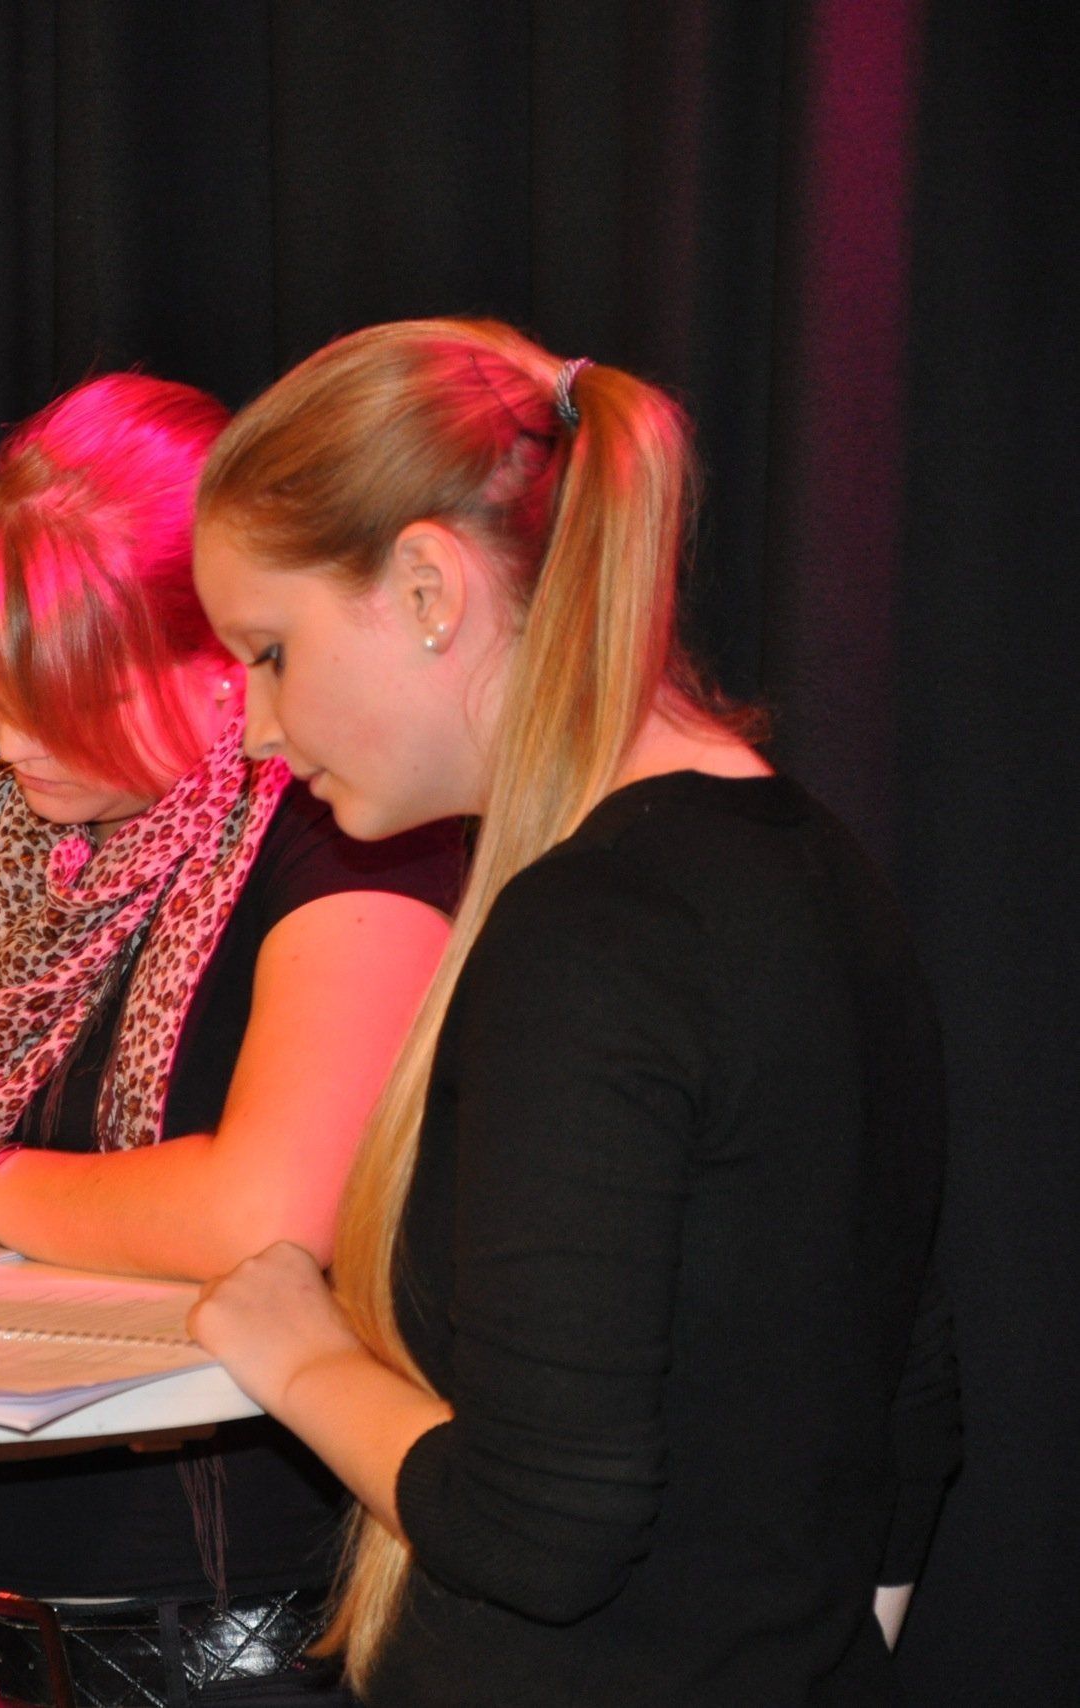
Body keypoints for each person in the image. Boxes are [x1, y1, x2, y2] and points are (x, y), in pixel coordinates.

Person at [185, 319, 954, 1706]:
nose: (253, 729)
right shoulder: (823, 873)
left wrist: (298, 1356)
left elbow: (537, 1526)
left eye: (271, 650)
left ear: (427, 587)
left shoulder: (591, 934)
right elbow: (908, 1404)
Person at [0, 374, 462, 1706]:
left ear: (222, 650)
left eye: (67, 699)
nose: (15, 742)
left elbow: (270, 1211)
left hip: (225, 1659)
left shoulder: (350, 833)